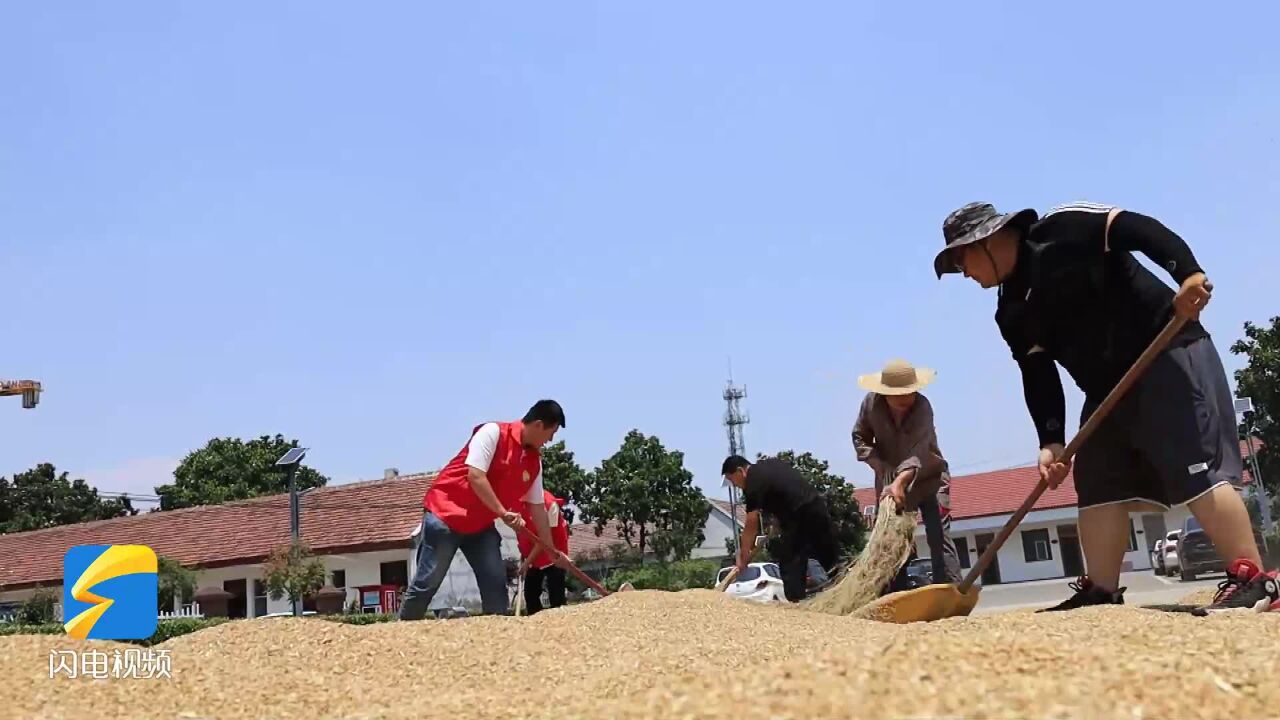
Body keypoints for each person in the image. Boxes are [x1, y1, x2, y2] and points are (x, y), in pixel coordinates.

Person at [934, 200, 1278, 613]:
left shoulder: (1062, 229)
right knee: (1097, 477)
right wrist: (1051, 441)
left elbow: (1138, 228)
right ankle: (1100, 589)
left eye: (962, 259)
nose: (964, 273)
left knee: (1193, 466)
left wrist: (1188, 273)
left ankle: (1254, 580)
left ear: (987, 240)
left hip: (1164, 350)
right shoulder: (1011, 312)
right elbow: (1037, 373)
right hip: (1106, 389)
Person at [399, 399, 572, 620]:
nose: (550, 440)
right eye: (551, 433)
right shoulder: (493, 433)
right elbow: (476, 476)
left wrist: (553, 553)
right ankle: (402, 631)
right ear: (538, 425)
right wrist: (502, 512)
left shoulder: (533, 463)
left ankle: (498, 640)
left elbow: (538, 508)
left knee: (495, 584)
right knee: (428, 582)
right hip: (446, 516)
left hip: (480, 528)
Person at [852, 358, 963, 589]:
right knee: (894, 540)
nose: (906, 399)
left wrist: (899, 483)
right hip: (890, 480)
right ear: (885, 393)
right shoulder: (871, 404)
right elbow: (859, 436)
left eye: (910, 392)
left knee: (939, 535)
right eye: (898, 395)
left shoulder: (923, 407)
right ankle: (895, 593)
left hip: (930, 478)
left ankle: (949, 589)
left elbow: (918, 453)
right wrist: (879, 466)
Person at [721, 454, 839, 602]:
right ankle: (847, 591)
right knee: (829, 559)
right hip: (816, 507)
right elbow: (785, 490)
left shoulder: (753, 481)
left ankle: (797, 605)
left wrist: (743, 554)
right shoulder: (769, 465)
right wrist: (778, 521)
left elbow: (751, 522)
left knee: (791, 563)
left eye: (732, 480)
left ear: (740, 471)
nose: (735, 485)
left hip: (798, 516)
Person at [517, 490, 570, 614]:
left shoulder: (550, 504)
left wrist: (526, 564)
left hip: (553, 552)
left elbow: (544, 540)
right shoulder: (516, 503)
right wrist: (525, 555)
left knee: (556, 597)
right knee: (530, 595)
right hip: (532, 555)